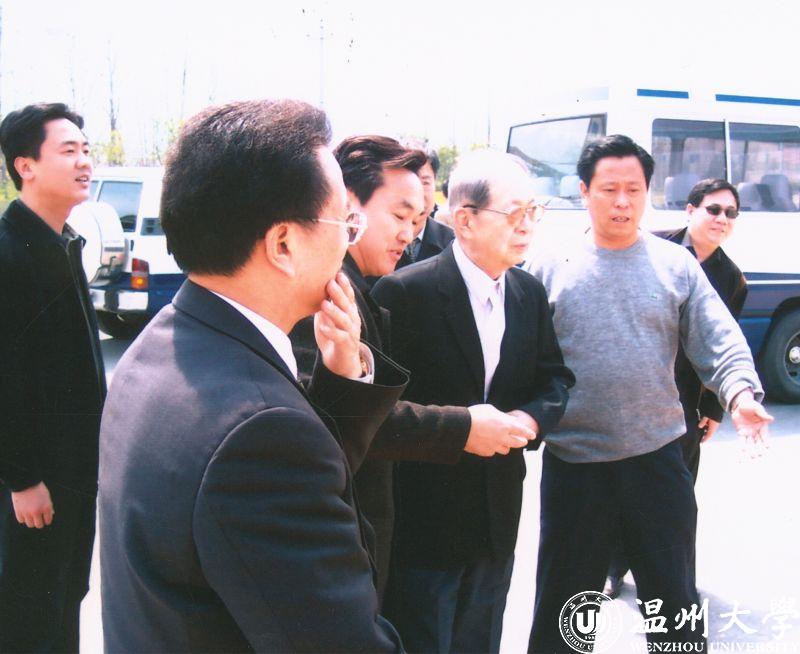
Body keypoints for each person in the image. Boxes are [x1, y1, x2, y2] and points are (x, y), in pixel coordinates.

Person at [98, 99, 410, 652]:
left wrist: (341, 383)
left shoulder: (160, 343)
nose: (349, 239)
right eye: (346, 221)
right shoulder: (260, 432)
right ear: (283, 244)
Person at [524, 135, 772, 653]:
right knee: (564, 611)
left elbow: (718, 337)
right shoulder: (549, 266)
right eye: (609, 189)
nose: (622, 202)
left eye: (633, 190)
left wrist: (740, 394)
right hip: (576, 465)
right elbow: (517, 357)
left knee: (674, 604)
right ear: (584, 191)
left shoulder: (675, 264)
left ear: (648, 193)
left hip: (657, 460)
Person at [290, 135, 536, 604]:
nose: (409, 234)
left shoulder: (360, 287)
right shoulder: (327, 294)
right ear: (348, 204)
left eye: (418, 220)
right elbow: (342, 418)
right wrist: (463, 428)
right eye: (400, 216)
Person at [373, 150, 575, 653]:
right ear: (465, 220)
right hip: (424, 525)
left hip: (497, 516)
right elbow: (381, 414)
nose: (527, 226)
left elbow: (555, 379)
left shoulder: (528, 293)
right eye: (514, 212)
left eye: (534, 211)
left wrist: (530, 418)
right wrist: (464, 428)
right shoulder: (405, 293)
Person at [604, 178, 748, 599]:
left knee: (677, 498)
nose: (722, 219)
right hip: (636, 388)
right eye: (713, 209)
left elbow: (722, 346)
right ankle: (613, 568)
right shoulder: (653, 247)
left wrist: (714, 409)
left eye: (730, 213)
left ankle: (675, 585)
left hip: (684, 402)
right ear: (690, 210)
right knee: (624, 488)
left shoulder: (732, 278)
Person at [0, 103, 105, 653]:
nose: (85, 161)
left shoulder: (63, 243)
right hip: (32, 484)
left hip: (72, 473)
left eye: (86, 150)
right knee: (29, 615)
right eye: (69, 151)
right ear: (26, 166)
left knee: (65, 598)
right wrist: (21, 479)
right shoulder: (9, 252)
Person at [396, 148, 454, 268]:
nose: (417, 193)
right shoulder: (376, 243)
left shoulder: (453, 245)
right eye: (408, 182)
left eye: (425, 183)